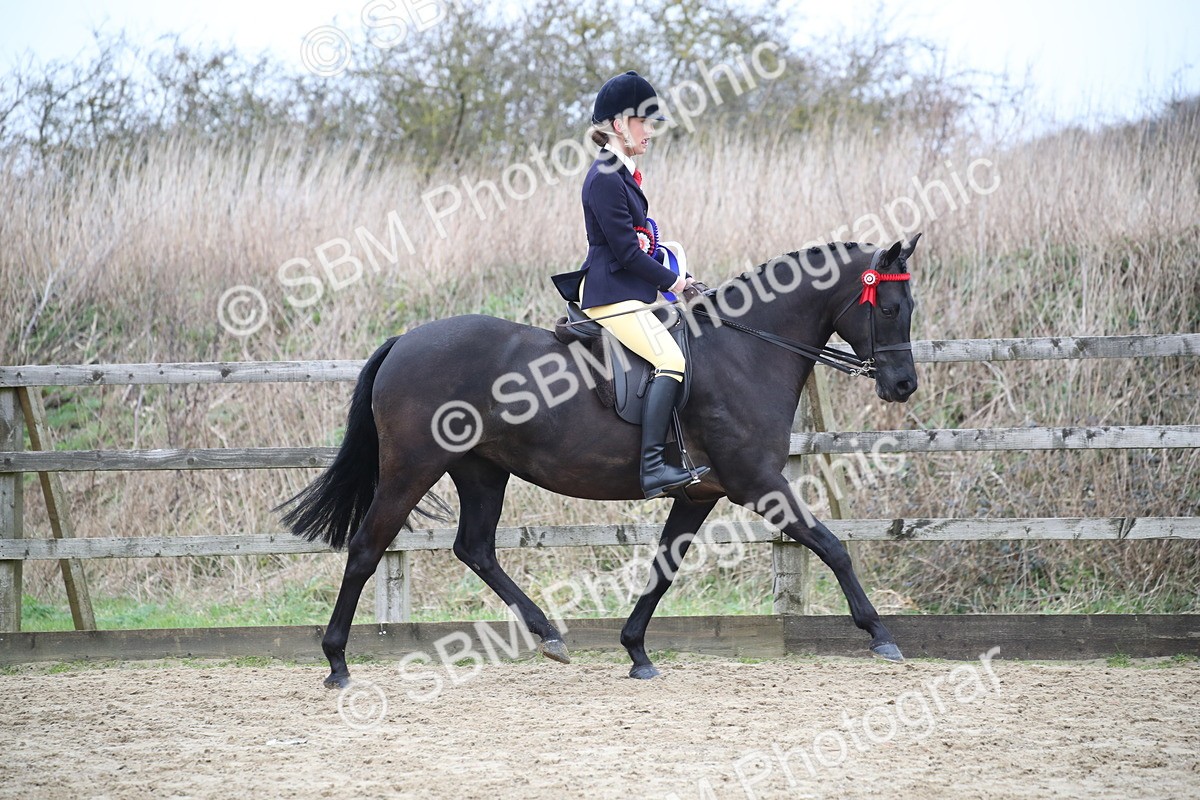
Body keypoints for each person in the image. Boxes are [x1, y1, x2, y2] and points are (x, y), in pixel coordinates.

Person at [553, 70, 710, 500]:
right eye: (646, 122)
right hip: (611, 297)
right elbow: (626, 254)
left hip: (629, 292)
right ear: (620, 125)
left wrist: (676, 269)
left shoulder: (622, 174)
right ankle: (653, 467)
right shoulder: (605, 177)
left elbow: (642, 244)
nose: (652, 132)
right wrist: (678, 284)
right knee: (671, 361)